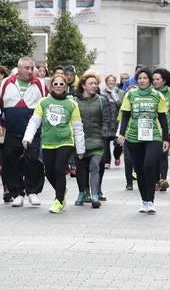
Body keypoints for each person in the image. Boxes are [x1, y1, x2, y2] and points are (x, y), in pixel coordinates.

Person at [0, 56, 47, 208]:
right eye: (27, 68)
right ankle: (16, 193)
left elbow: (47, 103)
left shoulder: (40, 84)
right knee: (10, 161)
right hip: (12, 131)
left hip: (33, 132)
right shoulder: (6, 83)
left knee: (33, 161)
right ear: (19, 68)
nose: (30, 71)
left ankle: (33, 191)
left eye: (31, 68)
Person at [24, 74, 85, 213]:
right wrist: (27, 138)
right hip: (48, 142)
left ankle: (59, 201)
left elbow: (77, 126)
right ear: (51, 86)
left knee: (59, 169)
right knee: (49, 172)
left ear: (66, 87)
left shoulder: (72, 104)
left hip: (65, 141)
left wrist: (80, 149)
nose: (58, 86)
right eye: (55, 84)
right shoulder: (44, 102)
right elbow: (35, 121)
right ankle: (61, 189)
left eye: (61, 84)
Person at [117, 67, 170, 214]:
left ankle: (151, 201)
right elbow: (126, 116)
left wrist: (166, 138)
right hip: (134, 136)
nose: (142, 81)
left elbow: (162, 118)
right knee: (140, 170)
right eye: (139, 78)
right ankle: (145, 201)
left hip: (153, 136)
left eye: (145, 78)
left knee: (149, 166)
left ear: (150, 80)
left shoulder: (157, 95)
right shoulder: (131, 95)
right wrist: (121, 134)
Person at [73, 71, 111, 208]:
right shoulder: (75, 102)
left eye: (95, 83)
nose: (94, 86)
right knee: (81, 169)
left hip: (97, 140)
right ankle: (82, 192)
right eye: (91, 83)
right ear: (83, 85)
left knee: (94, 167)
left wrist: (104, 132)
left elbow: (106, 119)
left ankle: (95, 194)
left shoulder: (101, 100)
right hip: (80, 140)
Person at [102, 73, 124, 168]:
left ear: (115, 82)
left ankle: (117, 156)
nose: (111, 82)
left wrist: (115, 96)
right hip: (106, 122)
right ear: (106, 82)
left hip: (117, 122)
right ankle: (107, 162)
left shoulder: (121, 92)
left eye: (113, 81)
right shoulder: (102, 93)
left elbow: (122, 106)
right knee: (105, 143)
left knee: (118, 144)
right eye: (109, 81)